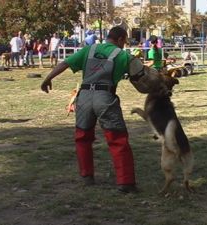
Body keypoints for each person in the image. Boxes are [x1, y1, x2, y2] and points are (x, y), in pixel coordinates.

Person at [40, 26, 138, 194]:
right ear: (121, 39)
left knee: (82, 137)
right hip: (105, 97)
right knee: (117, 139)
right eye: (125, 41)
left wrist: (47, 78)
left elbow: (65, 63)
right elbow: (142, 77)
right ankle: (125, 182)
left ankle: (87, 177)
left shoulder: (89, 49)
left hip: (84, 96)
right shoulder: (123, 55)